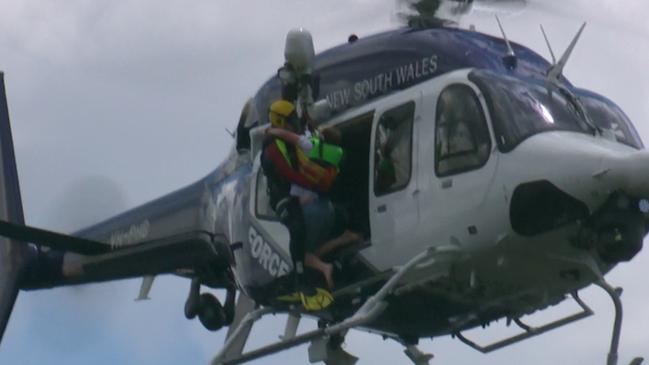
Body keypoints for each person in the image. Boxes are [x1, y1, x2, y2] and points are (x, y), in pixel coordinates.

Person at [262, 100, 346, 290]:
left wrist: (274, 131)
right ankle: (326, 263)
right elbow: (286, 171)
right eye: (292, 119)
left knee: (299, 245)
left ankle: (308, 274)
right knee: (302, 232)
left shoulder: (303, 142)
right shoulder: (328, 149)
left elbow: (292, 168)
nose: (295, 123)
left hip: (307, 203)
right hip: (313, 203)